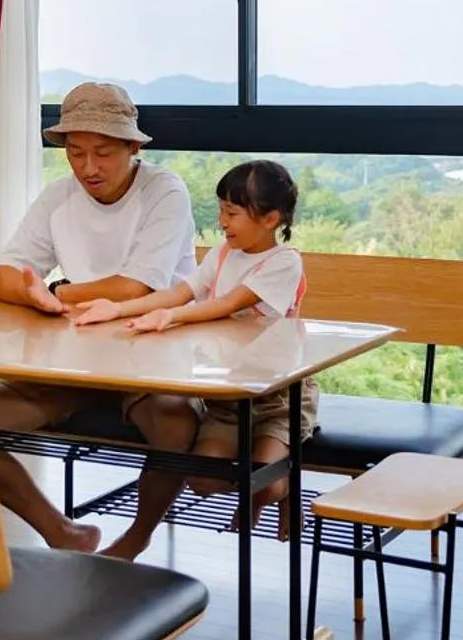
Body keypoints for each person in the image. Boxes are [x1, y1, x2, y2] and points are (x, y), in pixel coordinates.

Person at [0, 82, 201, 560]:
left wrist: (51, 293)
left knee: (175, 425)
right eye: (75, 152)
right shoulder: (58, 196)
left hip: (152, 356)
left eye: (103, 153)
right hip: (73, 360)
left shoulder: (164, 190)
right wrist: (33, 292)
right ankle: (60, 530)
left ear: (134, 146)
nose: (88, 167)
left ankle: (136, 538)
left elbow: (136, 288)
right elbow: (1, 276)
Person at [73, 160, 309, 533]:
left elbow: (229, 304)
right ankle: (257, 492)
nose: (222, 221)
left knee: (266, 476)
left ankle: (279, 490)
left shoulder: (284, 263)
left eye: (232, 213)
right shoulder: (222, 254)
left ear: (270, 219)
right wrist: (117, 307)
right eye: (221, 211)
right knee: (201, 479)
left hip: (275, 397)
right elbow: (178, 292)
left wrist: (174, 316)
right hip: (227, 398)